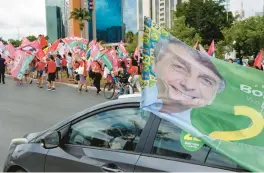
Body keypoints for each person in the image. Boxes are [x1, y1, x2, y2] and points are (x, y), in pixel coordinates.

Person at [142, 36, 226, 129]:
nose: (189, 85)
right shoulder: (138, 103)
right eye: (180, 67)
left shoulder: (216, 130)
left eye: (206, 80)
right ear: (155, 63)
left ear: (214, 93)